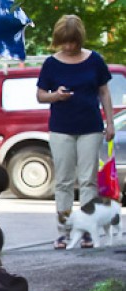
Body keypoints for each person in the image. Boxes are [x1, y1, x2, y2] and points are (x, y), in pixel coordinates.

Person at [36, 14, 116, 249]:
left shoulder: (95, 60)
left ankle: (88, 231)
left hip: (90, 127)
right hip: (61, 128)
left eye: (73, 42)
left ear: (79, 39)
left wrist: (109, 123)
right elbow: (40, 95)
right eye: (65, 42)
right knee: (63, 181)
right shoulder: (51, 63)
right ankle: (64, 230)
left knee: (88, 180)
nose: (69, 47)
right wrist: (55, 96)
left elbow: (104, 92)